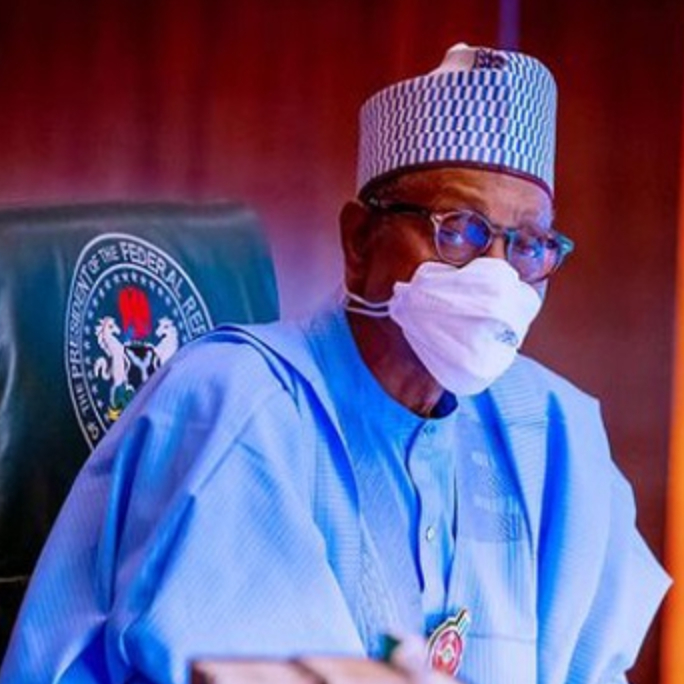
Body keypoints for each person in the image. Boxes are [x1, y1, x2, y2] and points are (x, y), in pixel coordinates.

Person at [0, 42, 670, 684]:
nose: (498, 275)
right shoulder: (238, 409)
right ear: (359, 241)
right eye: (459, 229)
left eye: (528, 245)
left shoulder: (555, 435)